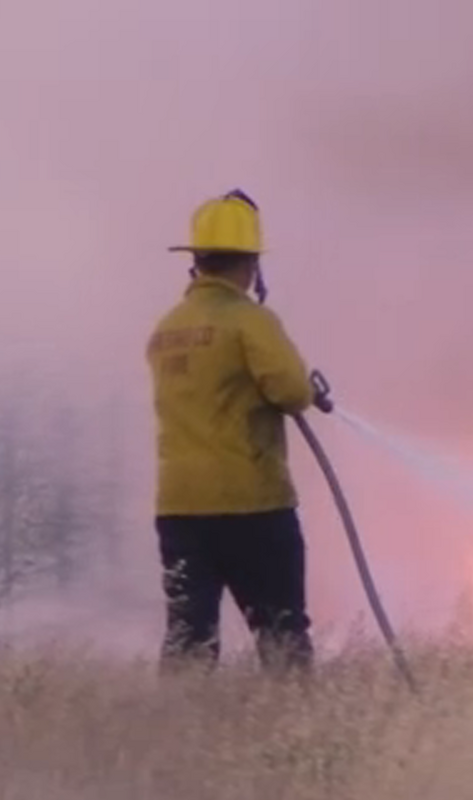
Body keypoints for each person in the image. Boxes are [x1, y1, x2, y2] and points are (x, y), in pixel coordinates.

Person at [145, 188, 329, 675]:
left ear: (197, 262)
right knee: (282, 633)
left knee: (188, 638)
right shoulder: (249, 320)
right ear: (250, 263)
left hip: (180, 510)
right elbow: (291, 391)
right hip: (252, 505)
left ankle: (181, 736)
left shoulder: (167, 329)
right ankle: (295, 736)